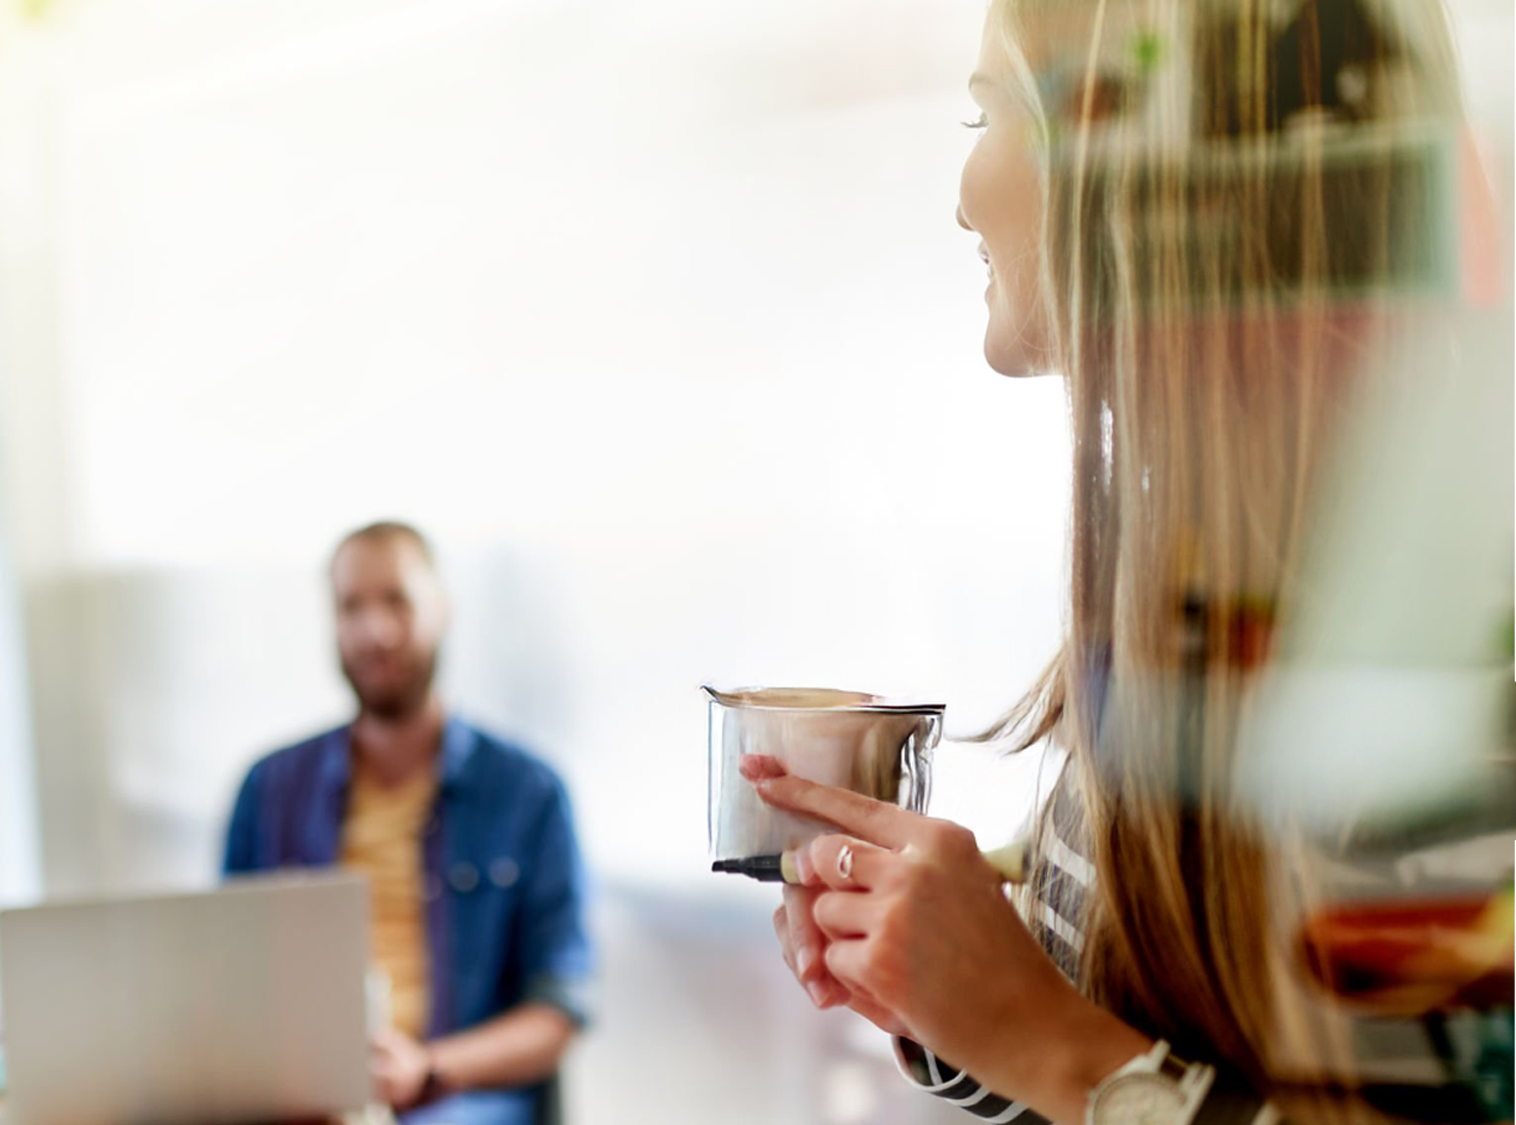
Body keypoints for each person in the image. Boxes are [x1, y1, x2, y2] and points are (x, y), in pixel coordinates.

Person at [749, 1, 1509, 1122]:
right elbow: (1147, 1063)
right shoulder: (1200, 590)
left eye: (985, 110)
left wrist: (1034, 1034)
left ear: (1134, 165)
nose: (959, 196)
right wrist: (945, 1002)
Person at [223, 522, 593, 1125]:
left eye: (396, 600)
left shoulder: (529, 792)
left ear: (441, 610)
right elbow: (225, 987)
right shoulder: (267, 790)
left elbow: (558, 1008)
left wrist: (426, 1067)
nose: (375, 630)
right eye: (351, 607)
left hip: (453, 1097)